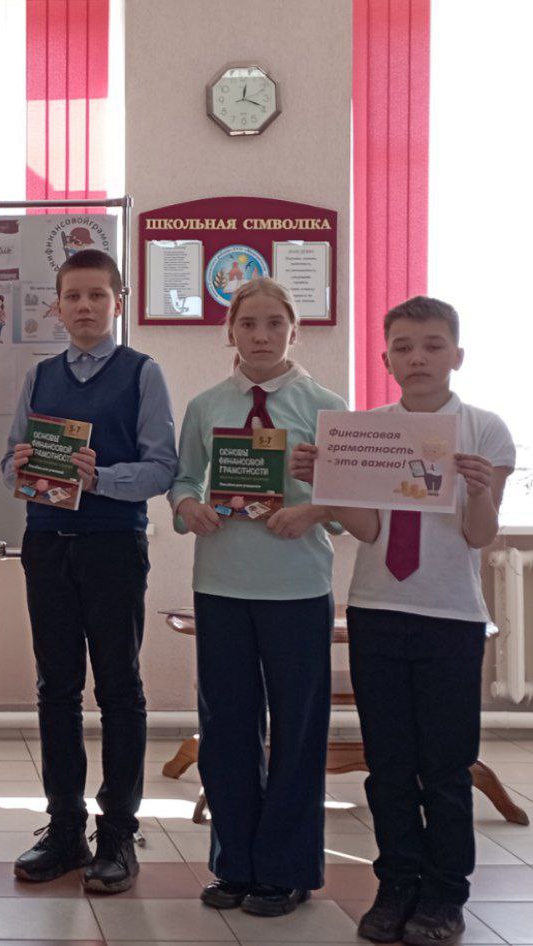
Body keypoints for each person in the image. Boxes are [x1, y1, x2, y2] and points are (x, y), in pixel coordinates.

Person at [292, 296, 514, 946]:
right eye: (404, 347)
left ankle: (444, 895)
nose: (418, 357)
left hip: (450, 617)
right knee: (387, 765)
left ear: (457, 355)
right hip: (378, 611)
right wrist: (326, 482)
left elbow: (479, 536)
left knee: (445, 768)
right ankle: (395, 886)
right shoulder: (365, 431)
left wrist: (480, 489)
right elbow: (368, 530)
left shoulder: (485, 429)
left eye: (433, 345)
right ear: (386, 358)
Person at [0, 249, 178, 892]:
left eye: (97, 295)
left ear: (117, 303)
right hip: (47, 544)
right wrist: (21, 465)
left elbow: (163, 468)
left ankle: (119, 834)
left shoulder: (142, 373)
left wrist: (99, 478)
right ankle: (66, 830)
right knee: (56, 689)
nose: (84, 306)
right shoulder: (39, 376)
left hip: (112, 546)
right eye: (72, 295)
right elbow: (8, 465)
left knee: (119, 690)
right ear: (57, 305)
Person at [168, 278, 346, 916]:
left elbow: (347, 511)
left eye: (275, 324)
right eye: (248, 324)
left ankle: (286, 869)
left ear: (295, 330)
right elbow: (183, 480)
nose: (262, 336)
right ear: (231, 332)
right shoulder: (206, 406)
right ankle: (235, 863)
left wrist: (313, 508)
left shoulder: (326, 407)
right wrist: (187, 506)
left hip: (297, 589)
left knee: (297, 730)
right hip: (221, 585)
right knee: (226, 728)